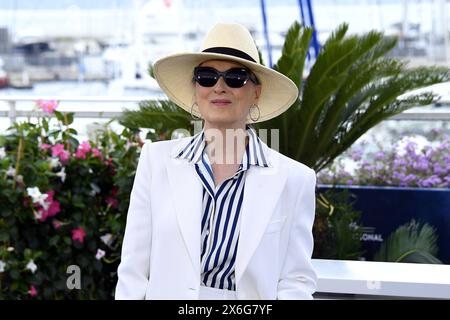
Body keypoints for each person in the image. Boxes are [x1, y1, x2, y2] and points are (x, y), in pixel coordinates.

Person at [115, 23, 317, 300]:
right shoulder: (156, 161)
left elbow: (296, 279)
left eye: (235, 77)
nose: (219, 87)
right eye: (207, 76)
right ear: (196, 89)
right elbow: (133, 271)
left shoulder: (295, 179)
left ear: (256, 93)